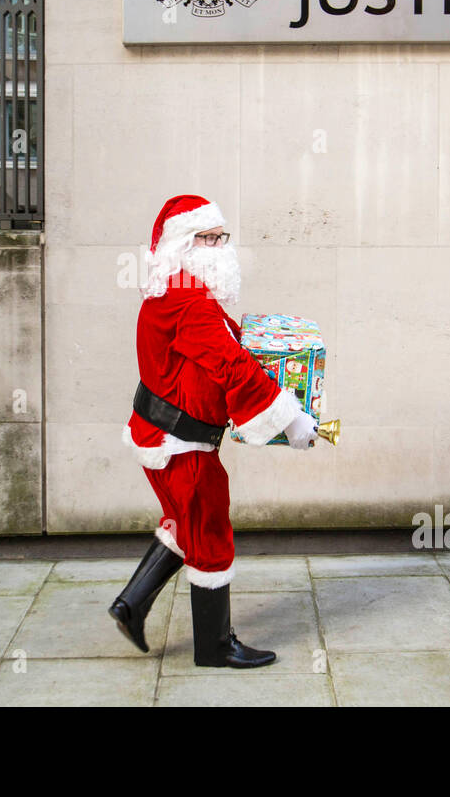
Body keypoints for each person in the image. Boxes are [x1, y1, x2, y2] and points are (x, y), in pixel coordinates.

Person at [109, 194, 318, 668]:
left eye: (221, 237)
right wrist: (291, 419)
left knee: (185, 523)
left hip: (158, 435)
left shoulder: (173, 290)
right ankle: (215, 647)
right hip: (181, 444)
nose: (220, 246)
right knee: (208, 533)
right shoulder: (190, 302)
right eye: (208, 237)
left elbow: (222, 351)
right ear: (184, 243)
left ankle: (131, 605)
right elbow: (232, 366)